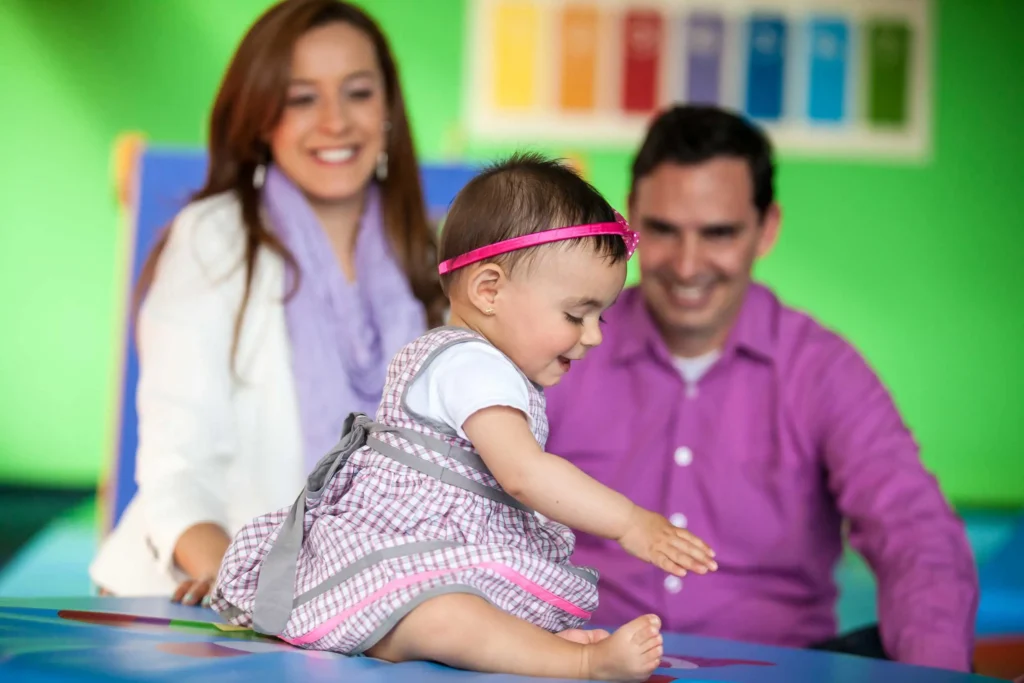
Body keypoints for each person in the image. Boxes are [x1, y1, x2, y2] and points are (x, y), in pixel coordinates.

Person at [209, 154, 719, 682]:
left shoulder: (487, 366)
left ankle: (526, 646)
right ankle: (581, 663)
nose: (592, 337)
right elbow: (524, 474)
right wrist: (630, 522)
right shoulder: (470, 365)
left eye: (600, 317)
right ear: (489, 290)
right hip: (407, 556)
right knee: (446, 618)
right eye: (575, 314)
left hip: (448, 551)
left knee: (469, 609)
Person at [544, 105, 980, 672]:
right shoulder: (559, 350)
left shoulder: (823, 369)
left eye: (719, 233)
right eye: (664, 230)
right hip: (584, 665)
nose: (687, 265)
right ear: (631, 218)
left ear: (767, 228)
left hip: (781, 671)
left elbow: (915, 533)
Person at [89, 0, 445, 602]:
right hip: (210, 599)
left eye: (358, 93)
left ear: (388, 111)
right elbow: (178, 471)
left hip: (355, 609)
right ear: (260, 118)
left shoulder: (430, 257)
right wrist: (254, 589)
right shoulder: (214, 239)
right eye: (302, 98)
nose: (335, 121)